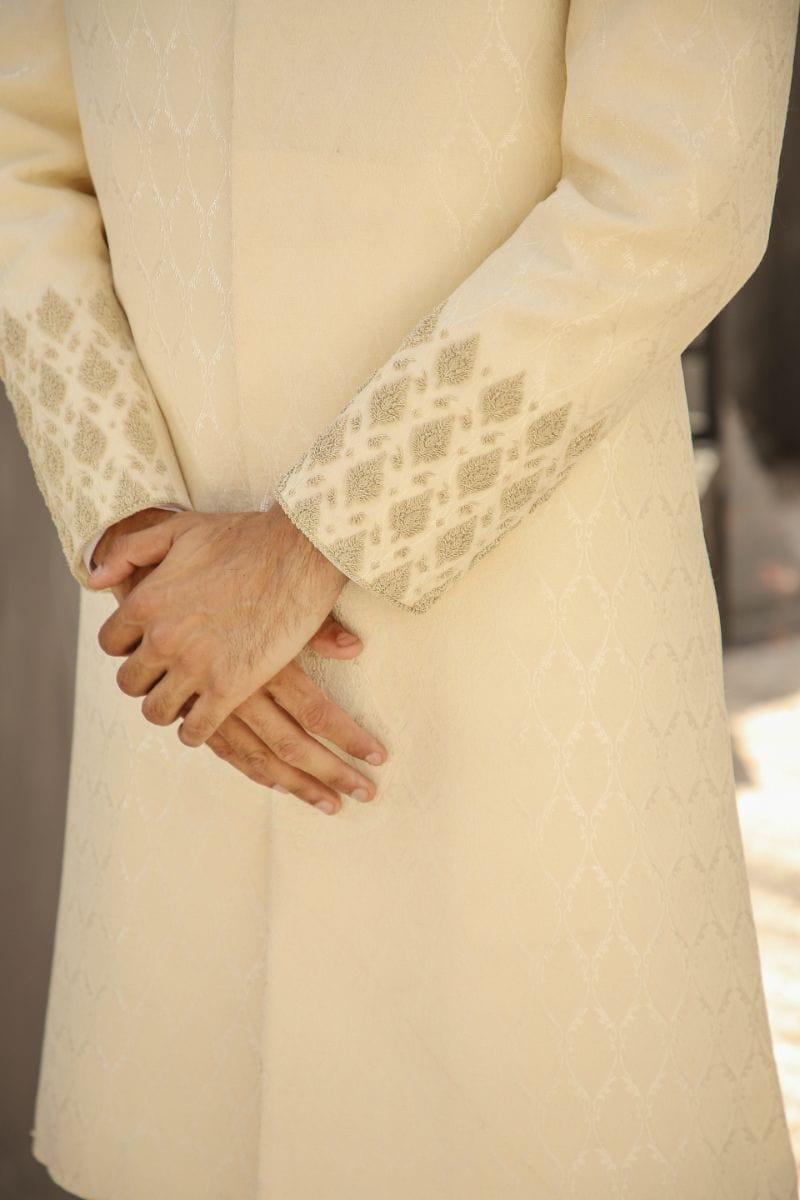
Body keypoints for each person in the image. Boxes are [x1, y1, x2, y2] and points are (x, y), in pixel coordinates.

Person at [2, 1, 798, 1196]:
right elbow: (17, 156)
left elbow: (674, 190)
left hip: (522, 618)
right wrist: (124, 520)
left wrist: (319, 538)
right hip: (173, 628)